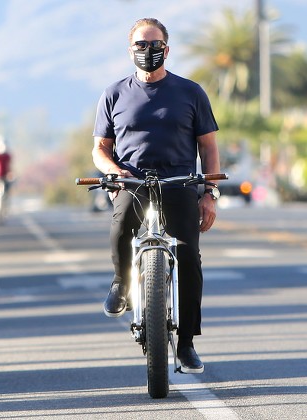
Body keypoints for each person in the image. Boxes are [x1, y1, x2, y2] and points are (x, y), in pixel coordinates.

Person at [92, 18, 220, 373]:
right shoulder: (113, 93)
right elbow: (100, 149)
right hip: (131, 184)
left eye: (155, 44)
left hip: (179, 183)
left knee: (189, 259)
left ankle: (188, 344)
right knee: (119, 231)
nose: (148, 51)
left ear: (167, 47)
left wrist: (209, 192)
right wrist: (113, 172)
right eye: (141, 45)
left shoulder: (191, 92)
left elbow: (209, 148)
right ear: (130, 49)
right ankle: (121, 282)